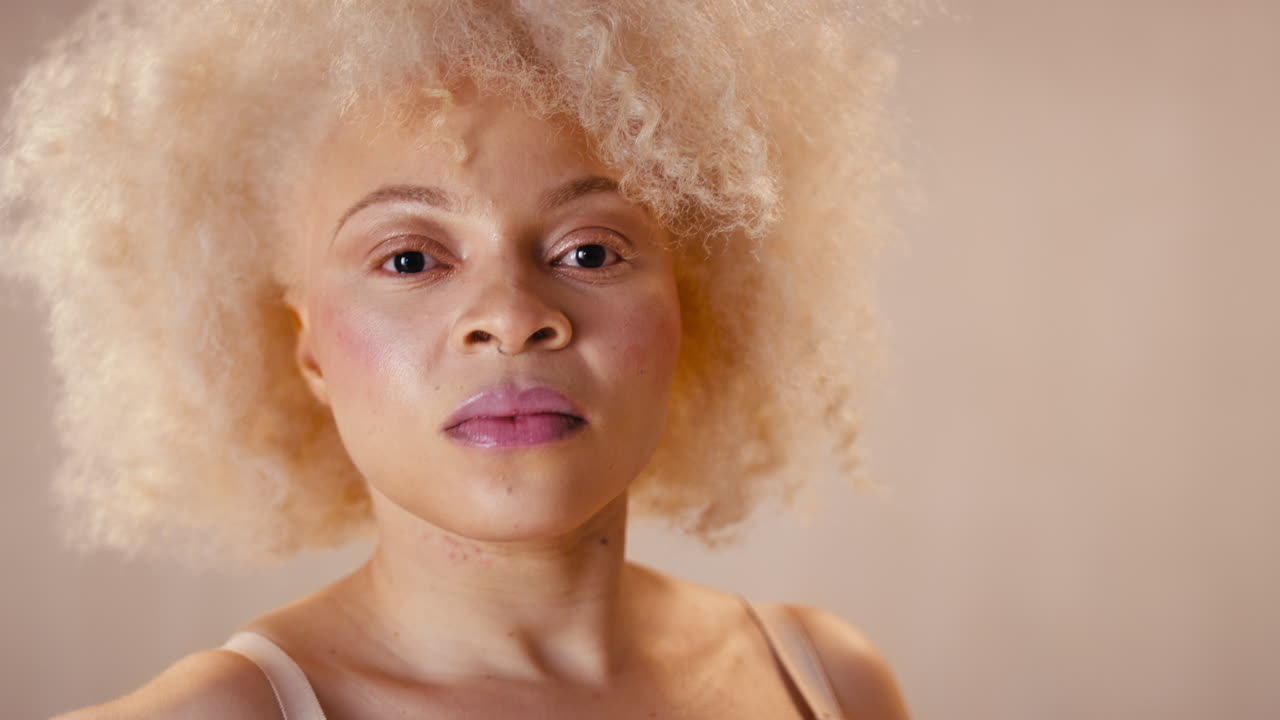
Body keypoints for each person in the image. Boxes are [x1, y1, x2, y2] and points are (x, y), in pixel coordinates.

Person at [2, 1, 912, 717]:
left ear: (694, 309)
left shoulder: (828, 685)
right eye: (410, 260)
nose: (513, 319)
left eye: (589, 251)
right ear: (306, 349)